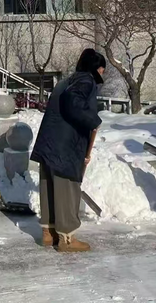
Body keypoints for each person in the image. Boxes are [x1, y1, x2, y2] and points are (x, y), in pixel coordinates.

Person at [31, 49, 105, 252]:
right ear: (97, 69)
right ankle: (67, 239)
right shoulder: (86, 81)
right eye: (102, 70)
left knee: (49, 185)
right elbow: (73, 102)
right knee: (66, 188)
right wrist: (93, 120)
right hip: (65, 145)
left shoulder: (66, 80)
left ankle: (49, 233)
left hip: (49, 141)